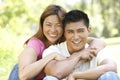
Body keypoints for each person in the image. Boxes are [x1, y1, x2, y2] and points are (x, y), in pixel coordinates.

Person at [8, 5, 106, 80]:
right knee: (18, 67)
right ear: (42, 25)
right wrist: (51, 56)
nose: (53, 30)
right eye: (48, 25)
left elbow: (99, 42)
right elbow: (23, 75)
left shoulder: (67, 39)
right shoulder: (36, 44)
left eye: (58, 25)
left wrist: (83, 54)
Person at [42, 10, 120, 80]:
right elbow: (56, 73)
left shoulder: (95, 48)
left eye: (80, 31)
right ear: (64, 33)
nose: (76, 37)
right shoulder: (53, 50)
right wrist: (79, 55)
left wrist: (76, 75)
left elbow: (111, 67)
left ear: (89, 30)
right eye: (70, 32)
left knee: (110, 76)